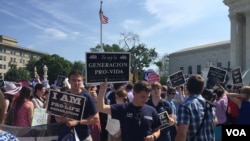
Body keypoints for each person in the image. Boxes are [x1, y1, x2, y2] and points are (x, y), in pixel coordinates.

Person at [97, 80, 161, 141]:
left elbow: (157, 129)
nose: (145, 100)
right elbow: (101, 108)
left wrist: (153, 136)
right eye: (142, 97)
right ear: (134, 93)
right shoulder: (123, 108)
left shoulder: (152, 110)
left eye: (147, 97)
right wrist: (102, 89)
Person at [55, 70, 99, 141]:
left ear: (82, 82)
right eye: (73, 80)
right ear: (69, 81)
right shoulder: (63, 96)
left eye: (79, 80)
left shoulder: (87, 96)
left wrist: (77, 122)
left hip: (83, 136)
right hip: (66, 136)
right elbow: (57, 119)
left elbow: (96, 118)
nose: (76, 83)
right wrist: (62, 119)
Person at [175, 74, 217, 141]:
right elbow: (214, 123)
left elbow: (182, 134)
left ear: (187, 88)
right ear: (202, 89)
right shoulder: (210, 106)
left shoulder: (185, 106)